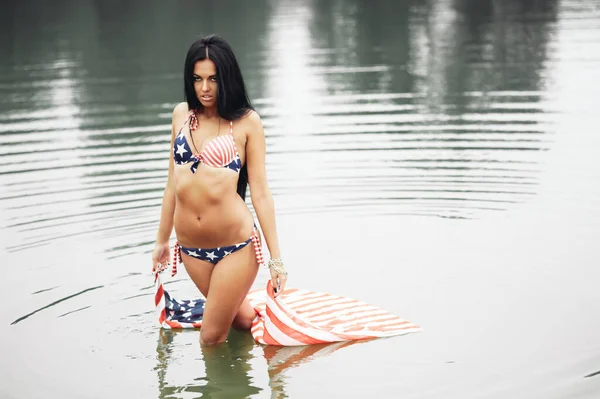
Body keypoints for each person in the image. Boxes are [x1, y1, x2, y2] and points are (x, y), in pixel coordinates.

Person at [151, 35, 287, 346]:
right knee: (240, 321)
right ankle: (264, 336)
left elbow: (261, 192)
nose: (204, 88)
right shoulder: (180, 116)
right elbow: (173, 183)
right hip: (192, 251)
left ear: (227, 78)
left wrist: (275, 259)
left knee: (210, 337)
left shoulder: (247, 123)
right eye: (197, 79)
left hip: (236, 247)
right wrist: (162, 240)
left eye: (213, 79)